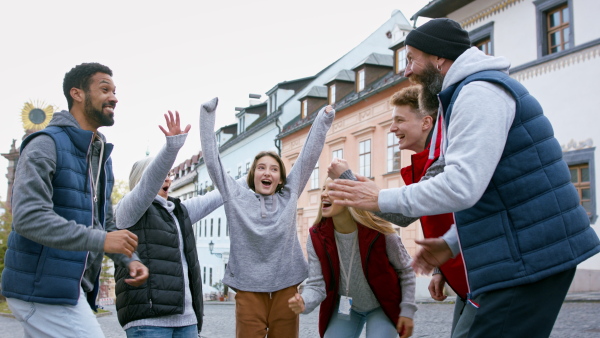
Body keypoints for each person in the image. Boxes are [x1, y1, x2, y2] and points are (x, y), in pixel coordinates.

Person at [327, 18, 600, 337]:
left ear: (438, 57)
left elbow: (462, 186)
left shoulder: (479, 91)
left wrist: (377, 196)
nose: (407, 70)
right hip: (519, 253)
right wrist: (453, 243)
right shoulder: (465, 94)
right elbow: (494, 192)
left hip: (528, 256)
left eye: (412, 58)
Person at [1, 62, 148, 337]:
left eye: (115, 91)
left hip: (67, 286)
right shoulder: (45, 144)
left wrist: (129, 259)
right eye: (105, 89)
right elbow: (28, 218)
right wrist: (101, 240)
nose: (114, 97)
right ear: (77, 94)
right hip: (40, 287)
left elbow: (103, 223)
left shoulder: (100, 155)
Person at [199, 97, 334, 338]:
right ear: (253, 175)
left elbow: (308, 157)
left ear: (281, 178)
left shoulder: (289, 195)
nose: (267, 172)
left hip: (287, 288)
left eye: (274, 169)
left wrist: (323, 119)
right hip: (249, 290)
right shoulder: (235, 196)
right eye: (261, 167)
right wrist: (207, 117)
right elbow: (213, 163)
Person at [113, 110, 224, 337]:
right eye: (161, 173)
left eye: (169, 174)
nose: (168, 178)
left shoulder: (177, 211)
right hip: (148, 321)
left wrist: (254, 176)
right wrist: (172, 148)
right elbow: (146, 187)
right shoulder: (128, 211)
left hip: (186, 320)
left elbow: (218, 195)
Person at [287, 175, 416, 338]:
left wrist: (407, 310)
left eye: (332, 189)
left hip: (382, 305)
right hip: (348, 307)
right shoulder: (317, 236)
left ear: (350, 195)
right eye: (324, 189)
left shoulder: (380, 232)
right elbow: (316, 283)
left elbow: (406, 270)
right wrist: (304, 301)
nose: (324, 194)